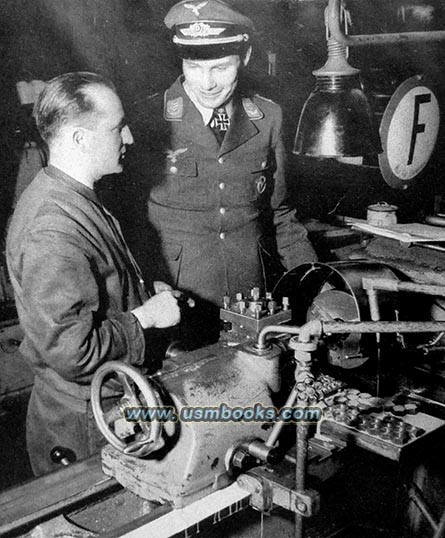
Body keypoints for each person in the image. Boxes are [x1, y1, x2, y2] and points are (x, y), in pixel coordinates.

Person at [6, 72, 181, 476]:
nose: (130, 138)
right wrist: (146, 317)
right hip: (87, 422)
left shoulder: (70, 195)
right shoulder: (53, 227)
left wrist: (138, 293)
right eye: (118, 127)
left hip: (103, 402)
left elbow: (94, 286)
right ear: (80, 139)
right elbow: (74, 350)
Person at [125, 0, 317, 346]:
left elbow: (282, 216)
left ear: (244, 58)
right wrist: (147, 284)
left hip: (252, 296)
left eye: (220, 67)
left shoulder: (269, 117)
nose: (207, 82)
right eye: (194, 67)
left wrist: (317, 283)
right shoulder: (147, 120)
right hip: (177, 296)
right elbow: (128, 221)